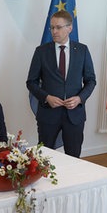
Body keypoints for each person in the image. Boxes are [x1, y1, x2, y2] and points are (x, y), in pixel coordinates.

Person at [26, 10, 96, 158]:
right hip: (48, 114)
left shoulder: (82, 50)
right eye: (51, 27)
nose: (54, 31)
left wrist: (79, 99)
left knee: (74, 157)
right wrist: (46, 97)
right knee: (43, 157)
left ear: (69, 28)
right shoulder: (41, 52)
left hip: (74, 115)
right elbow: (31, 82)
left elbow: (91, 80)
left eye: (58, 27)